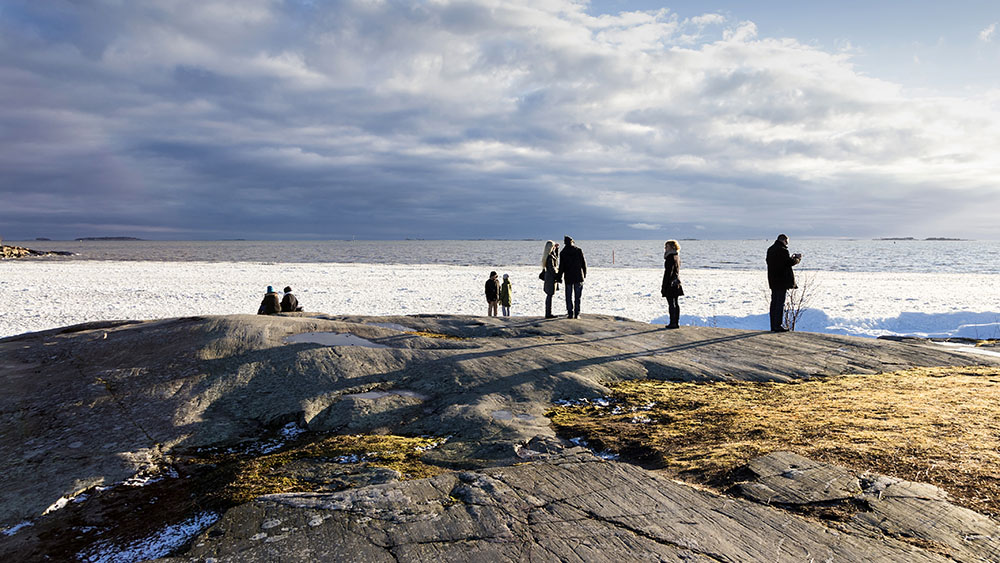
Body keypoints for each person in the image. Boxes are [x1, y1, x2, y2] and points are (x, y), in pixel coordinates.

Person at [766, 234, 802, 332]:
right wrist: (797, 259)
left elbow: (779, 263)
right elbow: (788, 263)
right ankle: (778, 325)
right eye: (787, 241)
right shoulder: (783, 250)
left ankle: (773, 325)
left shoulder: (770, 249)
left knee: (774, 303)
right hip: (782, 281)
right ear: (784, 240)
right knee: (779, 304)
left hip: (773, 280)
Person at [558, 235, 587, 318]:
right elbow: (583, 263)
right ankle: (577, 313)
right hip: (578, 276)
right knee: (577, 297)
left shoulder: (563, 253)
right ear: (572, 242)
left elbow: (561, 267)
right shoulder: (578, 250)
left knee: (568, 296)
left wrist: (559, 276)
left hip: (568, 277)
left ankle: (570, 313)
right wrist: (584, 273)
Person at [660, 240, 683, 329]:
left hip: (671, 283)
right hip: (676, 282)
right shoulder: (677, 256)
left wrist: (664, 286)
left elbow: (668, 273)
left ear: (672, 247)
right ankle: (675, 322)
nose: (665, 249)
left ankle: (673, 323)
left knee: (671, 303)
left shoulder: (670, 257)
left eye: (667, 247)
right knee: (675, 303)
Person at [541, 240, 560, 318]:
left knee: (549, 295)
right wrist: (557, 275)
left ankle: (548, 312)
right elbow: (552, 268)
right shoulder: (550, 258)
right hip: (550, 278)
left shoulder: (548, 256)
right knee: (550, 295)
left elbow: (556, 257)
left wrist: (557, 249)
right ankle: (548, 313)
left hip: (549, 277)